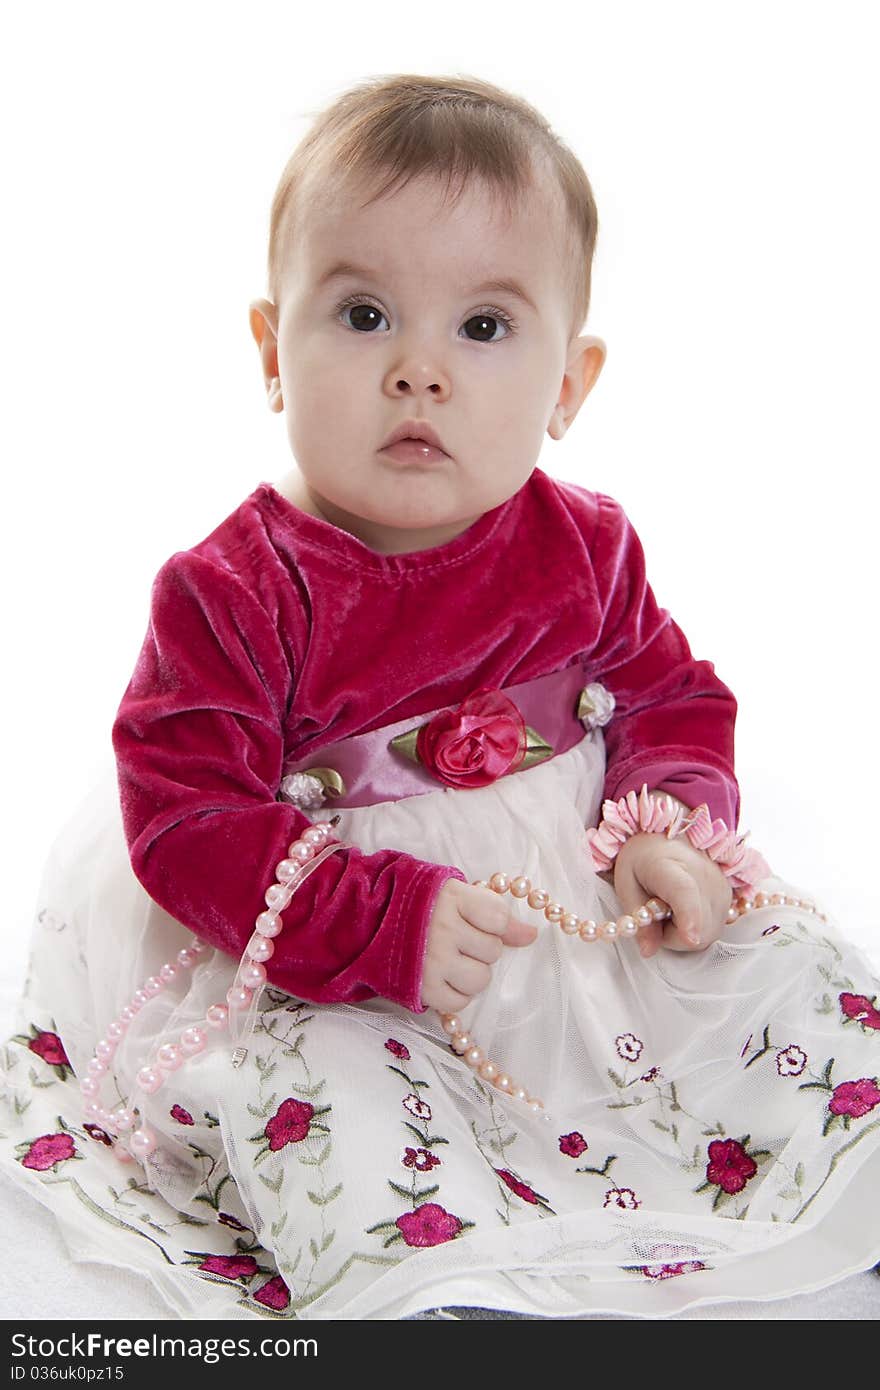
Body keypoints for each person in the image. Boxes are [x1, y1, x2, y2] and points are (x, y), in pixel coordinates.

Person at [2, 73, 878, 1322]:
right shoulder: (236, 590)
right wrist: (377, 921)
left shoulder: (582, 545)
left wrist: (668, 825)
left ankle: (836, 1167)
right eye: (363, 314)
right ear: (271, 351)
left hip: (565, 908)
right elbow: (187, 814)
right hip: (340, 940)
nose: (419, 370)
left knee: (780, 958)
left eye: (481, 328)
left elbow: (665, 695)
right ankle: (443, 1280)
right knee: (327, 1086)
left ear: (569, 385)